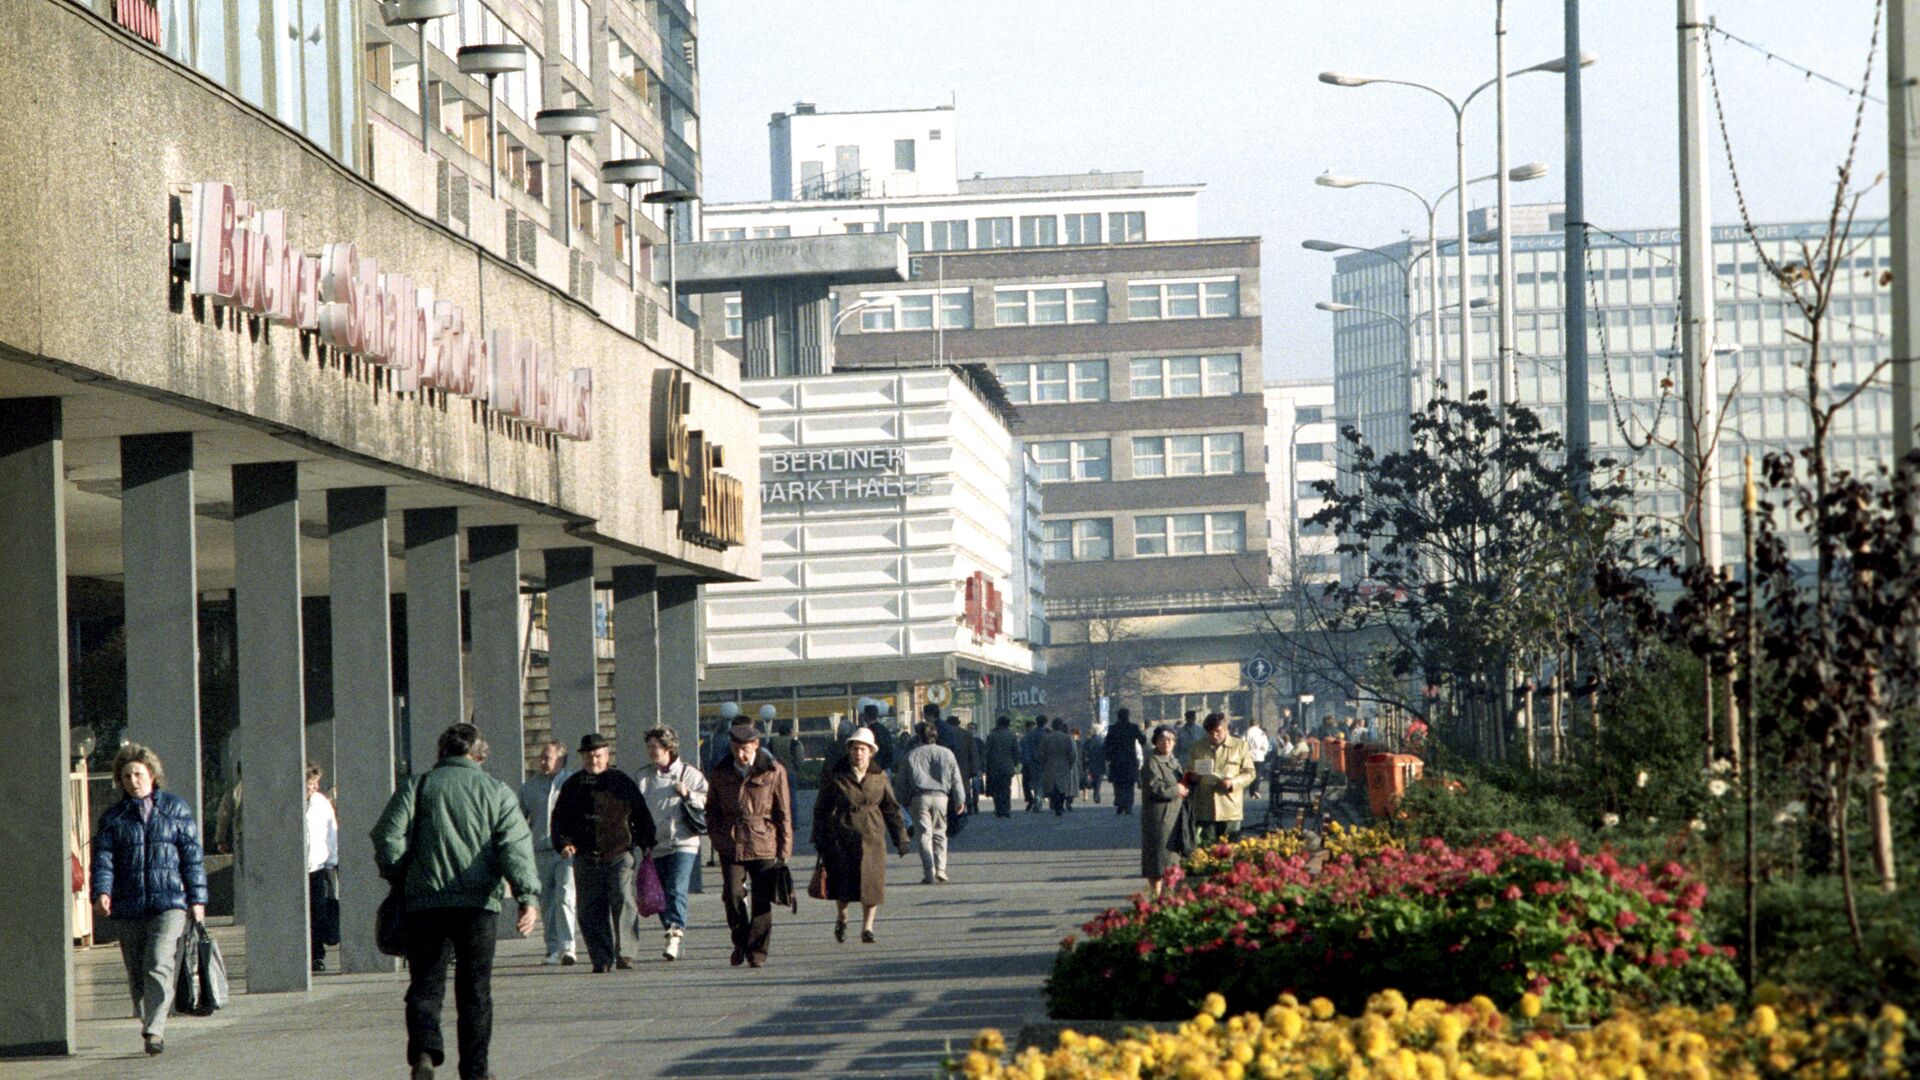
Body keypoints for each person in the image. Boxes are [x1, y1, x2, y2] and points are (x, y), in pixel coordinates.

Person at [372, 723, 540, 1080]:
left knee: (425, 984)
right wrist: (527, 896)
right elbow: (514, 847)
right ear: (479, 755)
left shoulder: (417, 786)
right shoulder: (496, 791)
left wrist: (402, 872)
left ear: (441, 752)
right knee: (475, 990)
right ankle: (475, 1071)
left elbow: (387, 835)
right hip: (478, 905)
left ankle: (424, 1053)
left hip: (425, 903)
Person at [91, 743, 207, 1057]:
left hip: (168, 902)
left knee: (158, 962)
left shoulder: (175, 809)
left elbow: (192, 859)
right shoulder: (114, 818)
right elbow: (103, 859)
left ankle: (155, 1029)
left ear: (152, 775)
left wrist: (197, 900)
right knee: (136, 970)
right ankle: (148, 1017)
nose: (132, 781)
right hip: (128, 905)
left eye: (138, 774)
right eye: (126, 775)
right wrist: (102, 893)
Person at [550, 732, 656, 973]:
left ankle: (626, 953)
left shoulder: (621, 781)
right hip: (585, 855)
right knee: (590, 909)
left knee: (623, 899)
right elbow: (559, 820)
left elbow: (640, 814)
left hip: (619, 852)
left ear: (607, 756)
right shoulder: (573, 785)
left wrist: (645, 841)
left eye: (597, 756)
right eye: (588, 756)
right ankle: (601, 958)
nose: (593, 760)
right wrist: (563, 843)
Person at [812, 727, 911, 943]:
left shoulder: (879, 776)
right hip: (843, 834)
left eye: (863, 749)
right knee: (843, 884)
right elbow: (821, 808)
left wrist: (900, 838)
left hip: (872, 835)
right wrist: (818, 837)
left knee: (872, 884)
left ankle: (867, 927)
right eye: (855, 749)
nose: (859, 753)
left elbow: (891, 808)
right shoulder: (837, 775)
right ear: (849, 751)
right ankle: (842, 916)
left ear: (871, 752)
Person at [707, 722, 793, 968]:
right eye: (736, 748)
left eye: (745, 748)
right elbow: (711, 809)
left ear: (756, 745)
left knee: (762, 899)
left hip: (764, 839)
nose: (740, 754)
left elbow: (783, 812)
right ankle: (740, 940)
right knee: (732, 895)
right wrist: (717, 836)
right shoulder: (721, 771)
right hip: (731, 842)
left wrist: (784, 850)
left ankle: (757, 952)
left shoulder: (773, 771)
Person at [633, 726, 708, 961]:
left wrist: (688, 794)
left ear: (668, 748)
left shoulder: (690, 774)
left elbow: (708, 800)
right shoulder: (644, 777)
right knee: (660, 893)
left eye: (655, 746)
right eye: (649, 747)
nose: (651, 751)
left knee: (676, 887)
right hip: (656, 844)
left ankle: (676, 931)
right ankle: (670, 929)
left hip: (684, 840)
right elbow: (637, 810)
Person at [516, 740, 578, 965]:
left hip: (566, 851)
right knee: (547, 902)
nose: (542, 762)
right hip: (540, 850)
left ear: (561, 760)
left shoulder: (573, 783)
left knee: (565, 896)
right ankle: (552, 948)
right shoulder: (529, 787)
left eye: (547, 758)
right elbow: (519, 819)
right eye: (541, 758)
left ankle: (568, 946)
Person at [901, 721, 966, 883]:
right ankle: (941, 869)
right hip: (941, 797)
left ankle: (929, 871)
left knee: (924, 834)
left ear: (919, 736)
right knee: (940, 833)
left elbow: (902, 781)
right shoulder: (947, 753)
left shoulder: (911, 754)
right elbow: (956, 779)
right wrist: (960, 800)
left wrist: (902, 800)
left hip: (919, 798)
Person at [1185, 713, 1257, 844]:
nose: (1214, 736)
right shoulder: (1197, 747)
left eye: (1217, 732)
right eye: (1210, 733)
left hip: (1230, 808)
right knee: (1205, 852)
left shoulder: (1240, 746)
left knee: (1229, 851)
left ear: (1226, 729)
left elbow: (1250, 773)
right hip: (1205, 808)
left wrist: (1233, 782)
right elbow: (1188, 772)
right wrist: (1193, 776)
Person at [1141, 726, 1191, 897]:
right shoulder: (1152, 762)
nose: (1167, 742)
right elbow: (1155, 787)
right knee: (1157, 859)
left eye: (1170, 739)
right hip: (1160, 817)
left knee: (1172, 858)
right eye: (1162, 738)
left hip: (1175, 816)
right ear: (1156, 741)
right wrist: (1176, 789)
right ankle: (1157, 898)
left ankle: (1168, 895)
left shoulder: (1173, 761)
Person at [305, 761, 339, 973]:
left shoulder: (320, 803)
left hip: (317, 866)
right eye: (311, 782)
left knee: (317, 912)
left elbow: (331, 830)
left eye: (317, 782)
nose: (315, 787)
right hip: (295, 868)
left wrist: (332, 860)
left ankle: (317, 954)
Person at [1106, 708, 1148, 816]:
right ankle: (1128, 804)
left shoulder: (1113, 728)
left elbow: (1107, 744)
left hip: (1116, 760)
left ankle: (1120, 801)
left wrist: (1108, 756)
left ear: (1118, 716)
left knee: (1118, 783)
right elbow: (1142, 740)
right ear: (1128, 716)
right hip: (1130, 760)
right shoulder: (1133, 728)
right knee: (1129, 784)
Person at [983, 715, 1021, 818]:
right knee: (1006, 788)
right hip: (1007, 766)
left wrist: (986, 764)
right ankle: (1006, 809)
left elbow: (986, 751)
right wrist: (1015, 763)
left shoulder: (992, 735)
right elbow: (1016, 751)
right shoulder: (1012, 736)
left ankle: (999, 809)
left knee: (996, 789)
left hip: (994, 767)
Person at [1038, 718, 1078, 816]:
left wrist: (1043, 763)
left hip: (1050, 764)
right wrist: (1070, 764)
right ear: (1060, 726)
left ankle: (1055, 805)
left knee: (1053, 786)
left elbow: (1041, 753)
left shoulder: (1046, 738)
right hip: (1064, 764)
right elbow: (1072, 753)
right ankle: (1060, 805)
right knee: (1062, 787)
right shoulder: (1067, 738)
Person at [1020, 716, 1048, 813]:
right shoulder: (1045, 734)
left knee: (1035, 781)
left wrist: (1026, 760)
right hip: (1042, 761)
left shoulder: (1029, 735)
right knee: (1041, 781)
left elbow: (1024, 749)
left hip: (1031, 761)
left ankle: (1037, 797)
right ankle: (1038, 799)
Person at [1243, 722, 1272, 800]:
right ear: (1257, 725)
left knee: (1250, 772)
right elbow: (1265, 745)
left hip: (1249, 755)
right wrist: (1263, 753)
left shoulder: (1246, 732)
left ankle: (1251, 791)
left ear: (1250, 724)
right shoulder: (1261, 733)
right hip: (1259, 755)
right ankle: (1256, 789)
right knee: (1258, 773)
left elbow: (1242, 743)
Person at [1083, 725, 1108, 805]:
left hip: (1091, 763)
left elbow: (1084, 753)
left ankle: (1096, 793)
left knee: (1093, 779)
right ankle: (1097, 794)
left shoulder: (1088, 741)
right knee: (1098, 780)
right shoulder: (1102, 740)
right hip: (1100, 763)